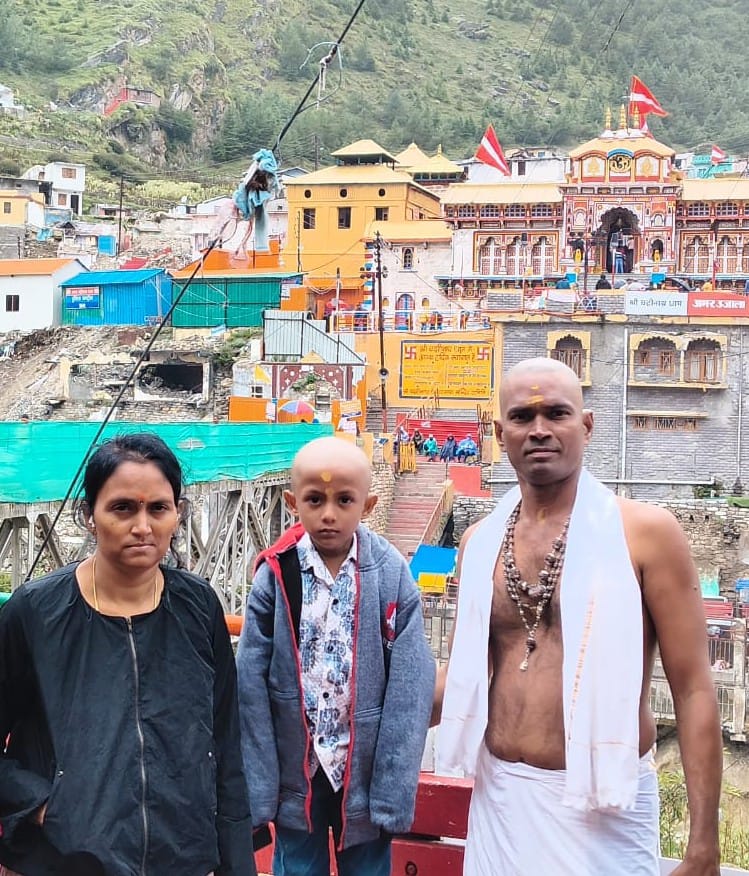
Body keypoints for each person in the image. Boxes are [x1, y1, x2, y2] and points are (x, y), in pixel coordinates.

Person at [433, 358, 721, 875]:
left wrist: (704, 842)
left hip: (603, 811)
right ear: (500, 433)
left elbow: (694, 689)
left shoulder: (646, 534)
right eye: (522, 416)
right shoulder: (478, 543)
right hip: (500, 800)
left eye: (557, 413)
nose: (539, 429)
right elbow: (460, 675)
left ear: (586, 426)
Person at [0, 433, 255, 876]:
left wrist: (236, 862)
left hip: (183, 859)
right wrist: (47, 806)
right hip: (66, 863)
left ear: (177, 513)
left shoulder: (198, 606)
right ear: (89, 515)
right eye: (122, 508)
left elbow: (224, 744)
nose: (143, 526)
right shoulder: (36, 612)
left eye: (158, 508)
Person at [237, 436, 435, 876]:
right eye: (315, 500)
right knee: (297, 867)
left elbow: (409, 687)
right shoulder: (275, 574)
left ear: (368, 505)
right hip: (298, 771)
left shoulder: (391, 574)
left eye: (344, 500)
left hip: (362, 770)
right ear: (292, 502)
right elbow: (250, 684)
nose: (329, 514)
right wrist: (260, 787)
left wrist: (392, 790)